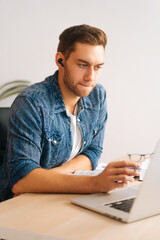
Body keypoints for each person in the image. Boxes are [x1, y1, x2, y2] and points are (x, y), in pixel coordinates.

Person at [0, 24, 140, 202]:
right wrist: (94, 184)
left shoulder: (97, 95)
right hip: (20, 204)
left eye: (97, 67)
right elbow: (21, 181)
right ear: (60, 60)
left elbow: (93, 152)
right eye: (83, 65)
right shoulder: (32, 103)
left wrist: (48, 177)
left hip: (59, 195)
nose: (91, 77)